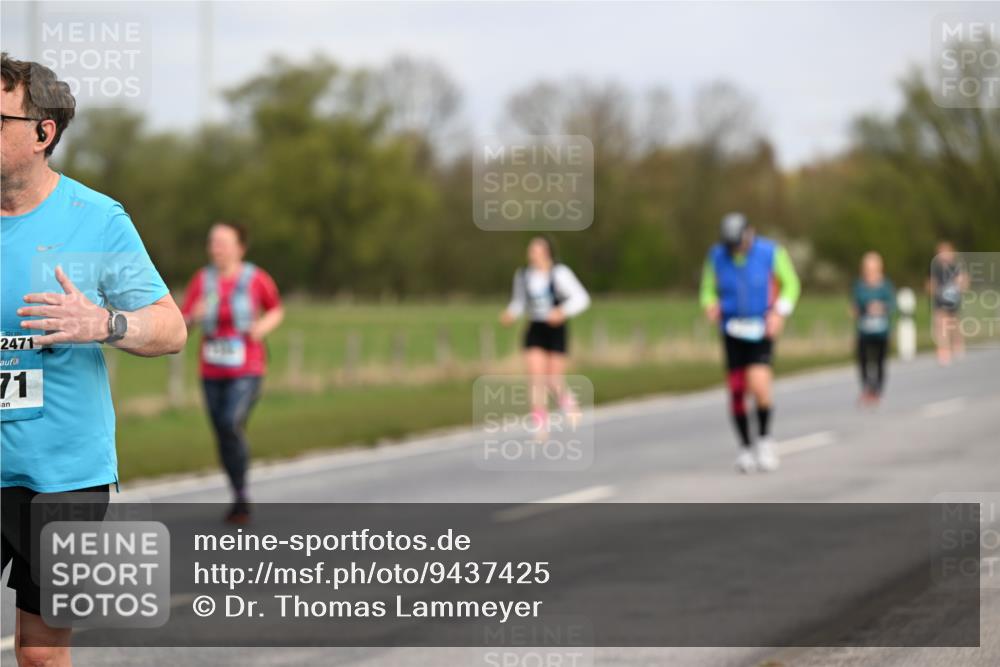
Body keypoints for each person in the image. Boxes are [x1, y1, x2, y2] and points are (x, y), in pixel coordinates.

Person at [1, 53, 187, 665]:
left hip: (63, 474)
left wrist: (102, 323)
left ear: (41, 133)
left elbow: (171, 328)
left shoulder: (98, 221)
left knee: (39, 654)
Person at [181, 222, 283, 524]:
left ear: (240, 248)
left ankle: (240, 495)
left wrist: (262, 327)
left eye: (223, 243)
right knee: (223, 434)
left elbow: (276, 309)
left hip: (247, 368)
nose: (216, 249)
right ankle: (239, 494)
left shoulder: (256, 279)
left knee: (229, 422)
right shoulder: (202, 281)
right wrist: (191, 317)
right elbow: (181, 322)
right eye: (212, 243)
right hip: (211, 370)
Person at [700, 212, 800, 473]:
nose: (735, 250)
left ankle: (764, 439)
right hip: (732, 328)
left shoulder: (770, 252)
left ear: (749, 234)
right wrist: (710, 304)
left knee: (759, 384)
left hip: (761, 327)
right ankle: (745, 447)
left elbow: (791, 284)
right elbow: (708, 288)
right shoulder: (717, 256)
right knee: (736, 390)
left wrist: (779, 312)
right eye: (730, 246)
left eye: (739, 243)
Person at [500, 235, 590, 435]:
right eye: (530, 250)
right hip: (536, 328)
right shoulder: (523, 275)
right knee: (535, 377)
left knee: (553, 379)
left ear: (547, 252)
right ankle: (540, 421)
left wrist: (562, 312)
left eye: (535, 250)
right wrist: (510, 314)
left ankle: (568, 403)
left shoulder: (560, 273)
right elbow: (519, 302)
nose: (531, 254)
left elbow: (581, 298)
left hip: (556, 329)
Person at [852, 252, 895, 406]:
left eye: (873, 267)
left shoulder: (885, 284)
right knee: (863, 361)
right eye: (867, 267)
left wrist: (881, 307)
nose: (870, 270)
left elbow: (892, 305)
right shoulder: (859, 285)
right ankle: (866, 389)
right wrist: (861, 309)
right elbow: (855, 305)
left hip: (881, 331)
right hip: (864, 330)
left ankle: (877, 391)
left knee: (879, 362)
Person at [928, 241, 967, 365]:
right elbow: (930, 285)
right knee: (940, 326)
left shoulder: (956, 267)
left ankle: (957, 346)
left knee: (954, 325)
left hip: (953, 300)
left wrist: (959, 285)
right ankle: (944, 350)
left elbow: (964, 281)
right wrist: (935, 290)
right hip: (940, 302)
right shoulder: (935, 268)